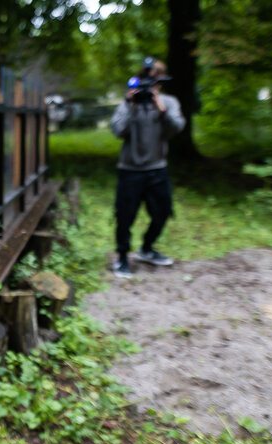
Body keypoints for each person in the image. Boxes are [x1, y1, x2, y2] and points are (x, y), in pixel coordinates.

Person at [109, 57, 185, 279]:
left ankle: (147, 248)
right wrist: (130, 106)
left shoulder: (168, 103)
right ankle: (122, 257)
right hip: (129, 169)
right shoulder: (128, 103)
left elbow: (177, 127)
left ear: (160, 83)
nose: (149, 86)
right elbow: (117, 130)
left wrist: (161, 108)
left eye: (154, 82)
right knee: (125, 216)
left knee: (162, 212)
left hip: (157, 168)